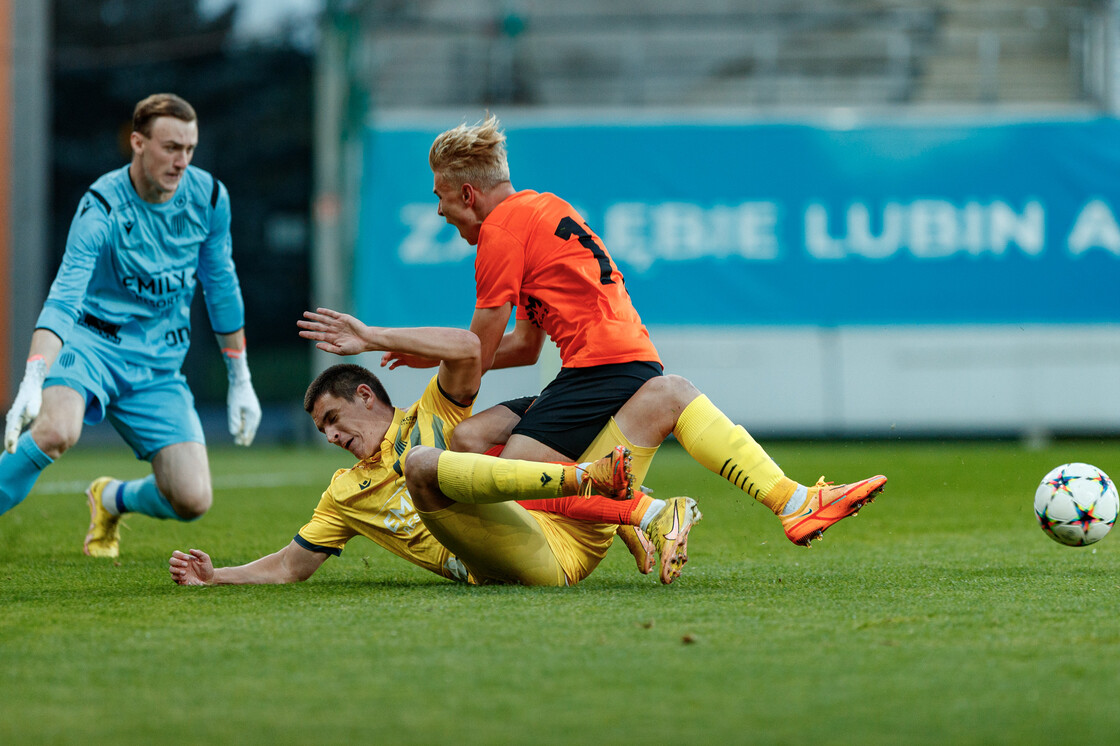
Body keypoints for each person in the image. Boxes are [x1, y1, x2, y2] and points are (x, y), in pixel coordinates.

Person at [415, 114, 886, 554]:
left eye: (441, 195)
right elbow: (522, 347)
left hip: (599, 369)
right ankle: (790, 500)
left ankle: (640, 514)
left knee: (515, 483)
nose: (439, 209)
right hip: (619, 361)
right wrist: (448, 356)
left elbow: (477, 349)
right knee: (470, 441)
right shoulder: (541, 209)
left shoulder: (501, 232)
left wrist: (404, 345)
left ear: (469, 194)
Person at [170, 317, 693, 587]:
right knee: (436, 464)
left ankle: (623, 509)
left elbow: (469, 348)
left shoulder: (432, 415)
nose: (330, 437)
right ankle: (626, 505)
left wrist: (373, 337)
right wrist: (218, 576)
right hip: (499, 558)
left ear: (367, 396)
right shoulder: (345, 492)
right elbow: (290, 566)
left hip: (560, 531)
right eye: (322, 431)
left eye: (333, 419)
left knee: (479, 451)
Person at [0, 93, 261, 558]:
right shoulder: (101, 206)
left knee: (192, 498)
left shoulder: (210, 198)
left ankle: (110, 498)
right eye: (170, 147)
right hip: (90, 346)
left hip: (158, 364)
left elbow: (221, 286)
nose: (181, 161)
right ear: (137, 143)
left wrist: (240, 378)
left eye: (189, 149)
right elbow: (64, 296)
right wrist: (33, 377)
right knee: (57, 430)